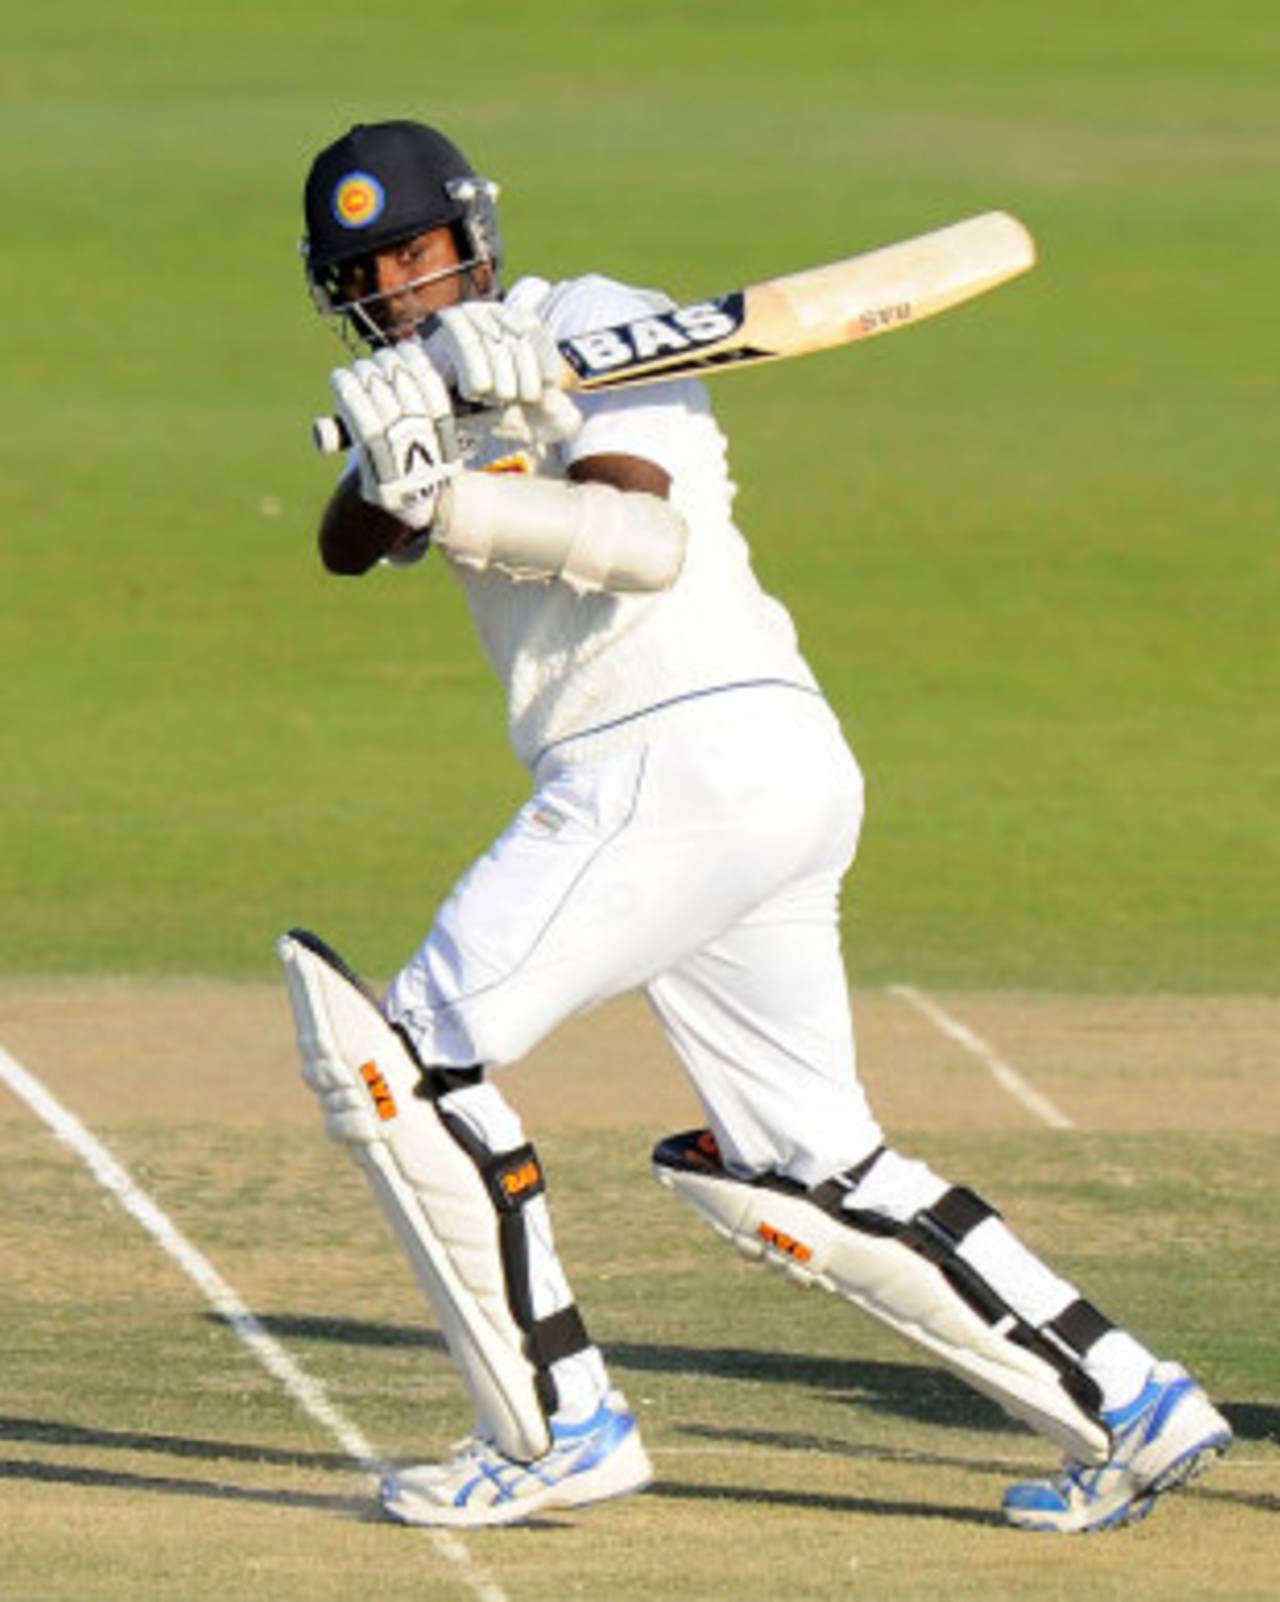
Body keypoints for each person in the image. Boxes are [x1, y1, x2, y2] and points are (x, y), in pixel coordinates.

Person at [279, 117, 1232, 1532]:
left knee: (406, 1059)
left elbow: (636, 540)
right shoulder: (411, 383)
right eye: (373, 274)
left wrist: (473, 470)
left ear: (476, 237)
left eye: (419, 255)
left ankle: (554, 1428)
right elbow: (349, 540)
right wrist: (403, 466)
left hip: (675, 756)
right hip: (746, 776)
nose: (406, 291)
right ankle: (1134, 1402)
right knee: (804, 1162)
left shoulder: (603, 327)